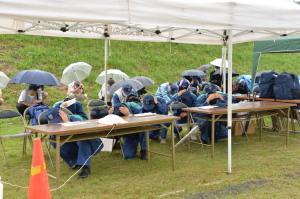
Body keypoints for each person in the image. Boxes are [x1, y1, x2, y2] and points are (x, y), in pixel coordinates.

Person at [45, 108, 103, 178]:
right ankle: (75, 163)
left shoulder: (76, 117)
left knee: (82, 140)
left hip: (94, 144)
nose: (57, 123)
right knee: (55, 143)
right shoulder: (55, 126)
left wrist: (67, 123)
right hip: (78, 147)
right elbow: (53, 137)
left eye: (58, 120)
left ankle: (85, 167)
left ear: (62, 115)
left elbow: (83, 129)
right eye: (54, 122)